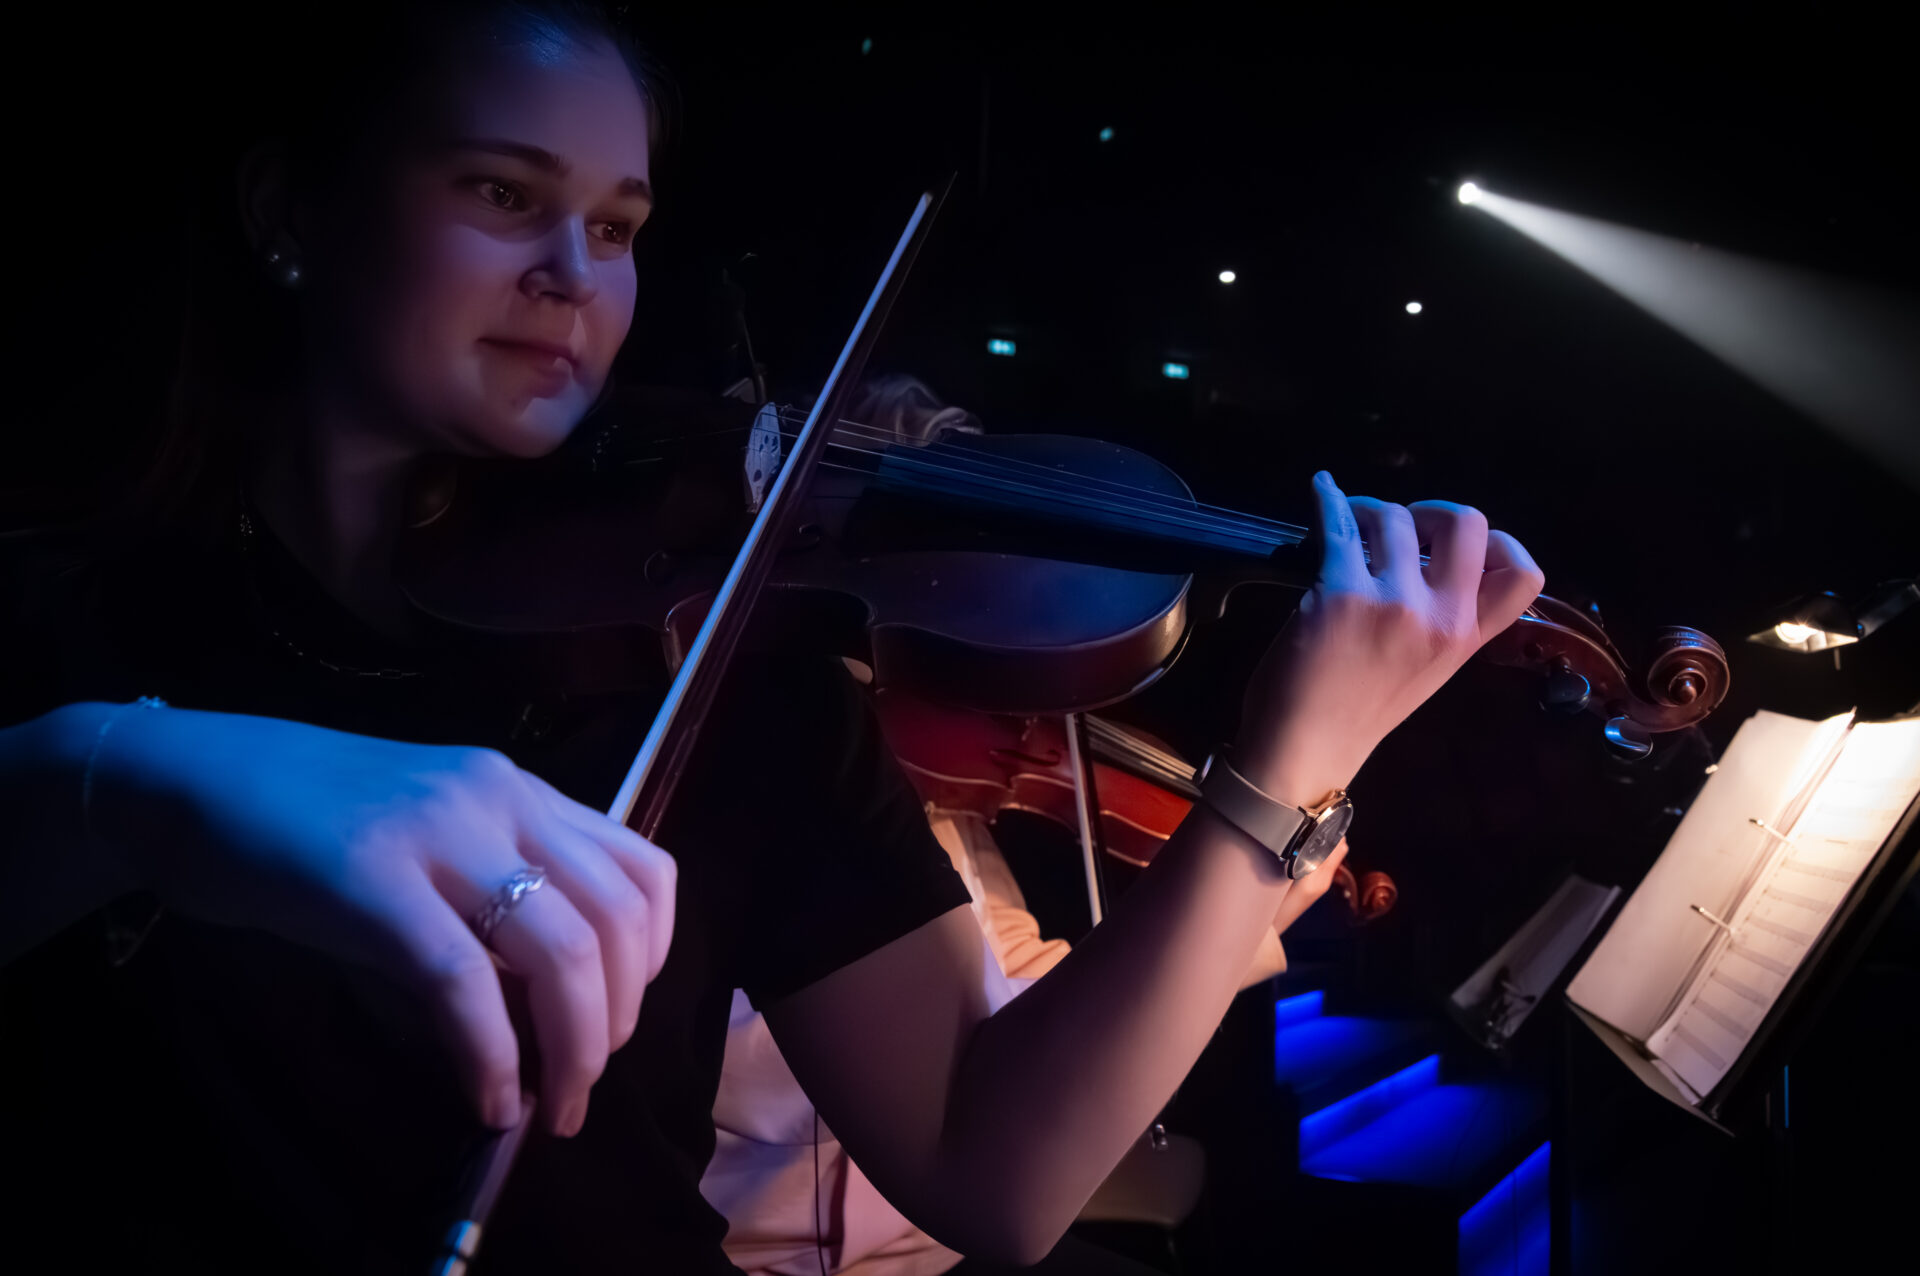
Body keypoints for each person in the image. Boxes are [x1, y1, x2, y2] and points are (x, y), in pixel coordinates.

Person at [0, 3, 1545, 1272]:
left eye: (618, 226)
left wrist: (1290, 765)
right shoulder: (67, 606)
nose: (575, 278)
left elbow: (994, 1173)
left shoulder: (713, 660)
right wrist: (125, 779)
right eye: (502, 195)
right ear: (289, 210)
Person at [703, 783, 1347, 1276]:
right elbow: (941, 1077)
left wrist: (1234, 933)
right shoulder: (776, 806)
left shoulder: (948, 809)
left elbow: (1025, 982)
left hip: (935, 1252)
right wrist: (1229, 934)